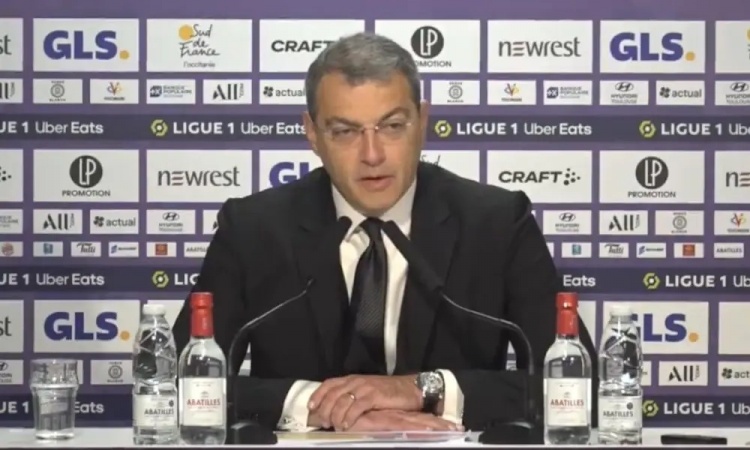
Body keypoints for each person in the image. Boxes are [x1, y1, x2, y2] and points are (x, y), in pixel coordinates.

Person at [172, 31, 597, 433]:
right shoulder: (254, 229)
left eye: (392, 126)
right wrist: (318, 407)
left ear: (423, 121)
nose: (372, 155)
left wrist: (424, 390)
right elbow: (175, 383)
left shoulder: (496, 223)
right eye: (345, 132)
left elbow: (582, 385)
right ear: (312, 134)